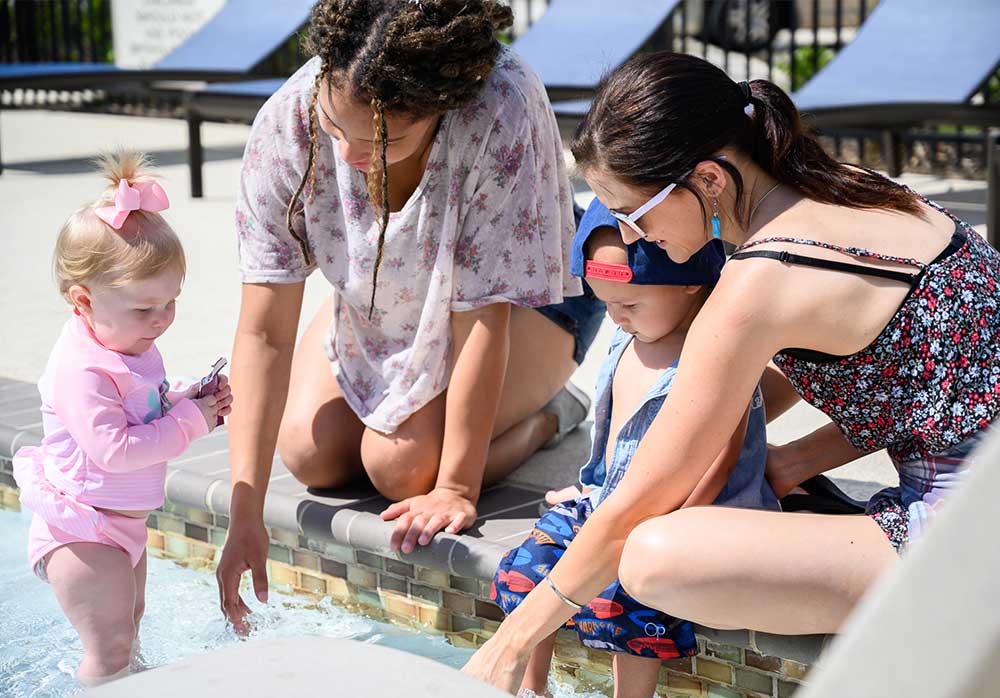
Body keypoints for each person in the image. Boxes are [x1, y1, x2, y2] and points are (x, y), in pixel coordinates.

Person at [463, 51, 1000, 692]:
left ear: (709, 180)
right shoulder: (857, 193)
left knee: (653, 555)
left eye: (633, 215)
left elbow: (638, 507)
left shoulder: (759, 281)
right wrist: (791, 459)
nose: (631, 240)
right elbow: (915, 376)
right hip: (975, 499)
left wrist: (507, 644)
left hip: (970, 540)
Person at [217, 0, 604, 629]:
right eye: (337, 129)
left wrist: (456, 486)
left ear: (441, 108)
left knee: (401, 469)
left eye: (383, 139)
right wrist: (244, 510)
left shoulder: (500, 106)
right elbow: (263, 330)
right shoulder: (290, 119)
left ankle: (550, 416)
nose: (349, 154)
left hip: (531, 298)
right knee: (310, 455)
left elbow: (483, 319)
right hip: (392, 299)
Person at [491, 199, 779, 698]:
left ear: (690, 279)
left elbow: (719, 458)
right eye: (606, 305)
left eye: (629, 305)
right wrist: (593, 487)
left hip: (688, 519)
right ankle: (529, 688)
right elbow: (618, 435)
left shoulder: (712, 357)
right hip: (613, 505)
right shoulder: (630, 339)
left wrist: (665, 527)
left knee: (623, 605)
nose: (616, 317)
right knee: (526, 574)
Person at [11, 151, 232, 685]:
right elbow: (114, 449)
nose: (161, 320)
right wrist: (192, 422)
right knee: (109, 652)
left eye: (171, 302)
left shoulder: (127, 341)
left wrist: (185, 398)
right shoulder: (79, 369)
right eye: (143, 308)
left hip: (121, 526)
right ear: (82, 300)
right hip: (81, 530)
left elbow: (141, 408)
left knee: (126, 640)